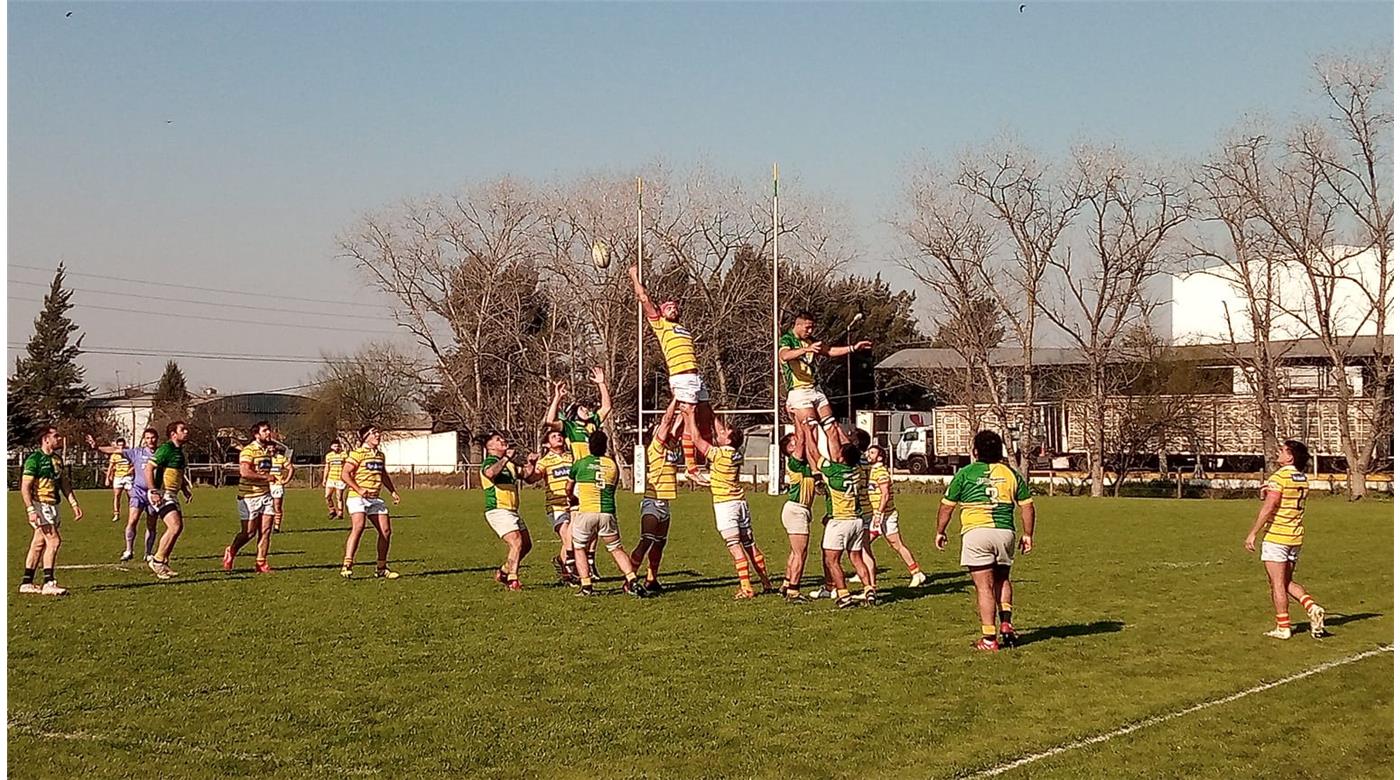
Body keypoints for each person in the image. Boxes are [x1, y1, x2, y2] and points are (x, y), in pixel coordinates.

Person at [936, 430, 1036, 651]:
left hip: (976, 532)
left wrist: (940, 531)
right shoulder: (1011, 473)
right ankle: (1007, 624)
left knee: (984, 587)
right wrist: (1028, 534)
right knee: (1002, 579)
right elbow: (1027, 505)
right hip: (1005, 532)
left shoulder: (965, 473)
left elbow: (946, 507)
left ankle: (989, 639)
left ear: (975, 451)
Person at [682, 407, 773, 599]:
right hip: (740, 503)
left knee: (735, 546)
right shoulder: (735, 454)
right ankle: (766, 582)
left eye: (724, 433)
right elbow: (720, 432)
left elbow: (697, 440)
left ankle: (747, 587)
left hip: (726, 505)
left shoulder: (720, 454)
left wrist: (690, 415)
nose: (719, 433)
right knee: (750, 544)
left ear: (729, 440)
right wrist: (712, 414)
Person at [629, 263, 712, 474]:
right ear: (661, 312)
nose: (673, 309)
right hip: (681, 377)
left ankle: (690, 450)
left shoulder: (682, 329)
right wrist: (634, 277)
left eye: (675, 307)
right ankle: (692, 468)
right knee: (689, 416)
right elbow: (644, 299)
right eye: (668, 307)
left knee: (706, 416)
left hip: (696, 377)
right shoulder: (660, 325)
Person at [1244, 440, 1327, 640]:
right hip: (1295, 535)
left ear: (1290, 456)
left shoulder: (1279, 476)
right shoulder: (1302, 478)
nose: (1278, 453)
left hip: (1277, 536)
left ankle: (1283, 627)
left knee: (1277, 584)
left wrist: (1254, 531)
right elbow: (1285, 498)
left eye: (1282, 450)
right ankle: (1312, 607)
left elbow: (1271, 505)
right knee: (1286, 581)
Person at [540, 369, 613, 577]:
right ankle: (570, 561)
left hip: (594, 477)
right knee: (578, 522)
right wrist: (557, 397)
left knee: (595, 523)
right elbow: (549, 419)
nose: (587, 409)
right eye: (582, 407)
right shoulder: (571, 427)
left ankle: (588, 561)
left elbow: (607, 406)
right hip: (580, 478)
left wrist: (601, 383)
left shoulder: (593, 425)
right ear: (574, 412)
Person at [799, 420, 875, 609]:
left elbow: (814, 453)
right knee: (856, 557)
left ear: (841, 457)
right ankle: (869, 589)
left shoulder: (834, 471)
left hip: (839, 521)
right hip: (857, 520)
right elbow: (850, 450)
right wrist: (834, 427)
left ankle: (843, 594)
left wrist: (808, 432)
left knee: (831, 560)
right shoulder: (857, 468)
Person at [778, 310, 872, 454]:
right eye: (807, 327)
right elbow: (784, 355)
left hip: (815, 389)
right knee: (811, 431)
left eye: (812, 328)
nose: (810, 331)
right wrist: (805, 350)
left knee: (832, 427)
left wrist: (853, 348)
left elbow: (829, 351)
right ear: (797, 325)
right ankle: (816, 471)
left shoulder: (811, 340)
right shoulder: (787, 339)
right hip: (799, 392)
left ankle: (840, 462)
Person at [566, 430, 646, 598]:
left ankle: (586, 585)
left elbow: (568, 488)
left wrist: (573, 498)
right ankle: (631, 579)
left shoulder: (580, 464)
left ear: (589, 446)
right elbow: (612, 487)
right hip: (607, 513)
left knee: (579, 547)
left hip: (586, 511)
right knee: (616, 548)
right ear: (605, 446)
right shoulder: (612, 465)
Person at [19, 426, 83, 595]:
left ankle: (27, 582)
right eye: (56, 436)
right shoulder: (34, 460)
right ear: (46, 439)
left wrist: (74, 503)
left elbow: (64, 483)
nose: (59, 438)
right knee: (54, 541)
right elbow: (25, 487)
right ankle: (49, 582)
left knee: (38, 544)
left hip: (54, 505)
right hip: (41, 505)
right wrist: (31, 509)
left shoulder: (57, 460)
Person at [630, 399, 684, 594]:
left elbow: (678, 425)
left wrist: (688, 407)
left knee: (660, 543)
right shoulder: (656, 447)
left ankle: (651, 579)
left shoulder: (670, 446)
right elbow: (668, 420)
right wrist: (676, 399)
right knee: (646, 541)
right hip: (652, 501)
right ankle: (629, 579)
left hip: (665, 503)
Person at [87, 430, 161, 563]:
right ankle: (128, 550)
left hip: (154, 494)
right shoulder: (137, 452)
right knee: (132, 520)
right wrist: (97, 447)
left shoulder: (162, 453)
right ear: (144, 439)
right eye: (148, 438)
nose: (150, 440)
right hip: (138, 492)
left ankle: (148, 553)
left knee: (151, 524)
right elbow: (116, 450)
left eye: (153, 438)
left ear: (157, 438)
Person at [341, 425, 402, 579]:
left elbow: (383, 475)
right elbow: (345, 474)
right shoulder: (357, 454)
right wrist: (359, 489)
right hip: (357, 497)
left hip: (375, 498)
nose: (378, 435)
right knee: (359, 526)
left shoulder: (380, 455)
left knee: (386, 531)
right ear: (365, 437)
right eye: (374, 433)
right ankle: (347, 565)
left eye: (378, 432)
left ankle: (381, 568)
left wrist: (393, 491)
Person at [481, 432, 538, 590]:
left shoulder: (510, 464)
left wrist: (531, 463)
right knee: (516, 541)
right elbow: (490, 473)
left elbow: (526, 475)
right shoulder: (490, 462)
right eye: (498, 440)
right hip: (498, 510)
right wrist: (505, 458)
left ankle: (504, 571)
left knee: (526, 545)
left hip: (512, 510)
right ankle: (513, 580)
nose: (503, 441)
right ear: (490, 447)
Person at [866, 443, 928, 588]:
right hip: (877, 515)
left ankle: (917, 573)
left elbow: (885, 494)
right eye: (869, 452)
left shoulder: (881, 472)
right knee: (863, 544)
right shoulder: (872, 471)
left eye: (872, 453)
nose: (869, 455)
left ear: (880, 457)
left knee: (896, 545)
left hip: (885, 516)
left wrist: (878, 513)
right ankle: (865, 572)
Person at [529, 423, 580, 586]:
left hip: (574, 505)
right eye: (553, 436)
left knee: (573, 540)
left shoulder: (572, 457)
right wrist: (531, 463)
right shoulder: (545, 461)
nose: (558, 437)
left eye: (559, 435)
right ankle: (573, 571)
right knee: (568, 536)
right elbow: (533, 478)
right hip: (556, 506)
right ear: (547, 444)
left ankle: (562, 563)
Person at [778, 423, 824, 603]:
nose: (799, 443)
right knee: (800, 553)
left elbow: (810, 443)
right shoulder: (795, 462)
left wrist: (810, 428)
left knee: (795, 551)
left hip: (800, 510)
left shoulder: (805, 463)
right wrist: (800, 420)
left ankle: (786, 583)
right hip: (796, 509)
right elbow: (803, 441)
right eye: (794, 442)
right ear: (790, 449)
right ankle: (793, 592)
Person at [224, 421, 278, 574]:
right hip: (249, 497)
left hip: (266, 495)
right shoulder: (248, 451)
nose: (269, 433)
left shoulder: (267, 451)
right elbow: (245, 472)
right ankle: (232, 550)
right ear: (256, 434)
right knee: (249, 532)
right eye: (265, 430)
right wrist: (266, 478)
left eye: (269, 430)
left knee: (266, 530)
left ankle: (261, 563)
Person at [145, 421, 194, 580]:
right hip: (161, 493)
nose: (186, 431)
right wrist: (153, 491)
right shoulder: (166, 449)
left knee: (178, 528)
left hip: (171, 493)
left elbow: (177, 475)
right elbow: (148, 469)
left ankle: (163, 562)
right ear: (173, 434)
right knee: (175, 526)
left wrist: (185, 489)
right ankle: (157, 560)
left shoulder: (180, 452)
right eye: (182, 429)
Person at [104, 437, 134, 523]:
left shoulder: (129, 454)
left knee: (131, 496)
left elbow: (134, 464)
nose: (121, 447)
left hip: (128, 477)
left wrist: (130, 471)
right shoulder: (114, 455)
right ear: (117, 446)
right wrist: (107, 478)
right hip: (118, 477)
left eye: (122, 446)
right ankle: (116, 514)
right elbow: (110, 467)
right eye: (119, 446)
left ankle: (132, 514)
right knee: (117, 496)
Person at [269, 444, 293, 532]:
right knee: (266, 508)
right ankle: (265, 526)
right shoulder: (264, 457)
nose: (271, 450)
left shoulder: (281, 458)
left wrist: (286, 480)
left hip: (277, 485)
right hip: (266, 486)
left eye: (272, 448)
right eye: (269, 449)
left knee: (277, 507)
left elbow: (291, 468)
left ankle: (276, 527)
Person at [323, 440, 348, 519]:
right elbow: (327, 467)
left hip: (340, 479)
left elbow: (347, 467)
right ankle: (332, 510)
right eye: (335, 446)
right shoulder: (329, 456)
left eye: (338, 446)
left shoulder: (344, 455)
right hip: (331, 478)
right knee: (327, 496)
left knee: (339, 496)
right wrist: (324, 478)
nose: (336, 448)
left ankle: (340, 513)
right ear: (331, 447)